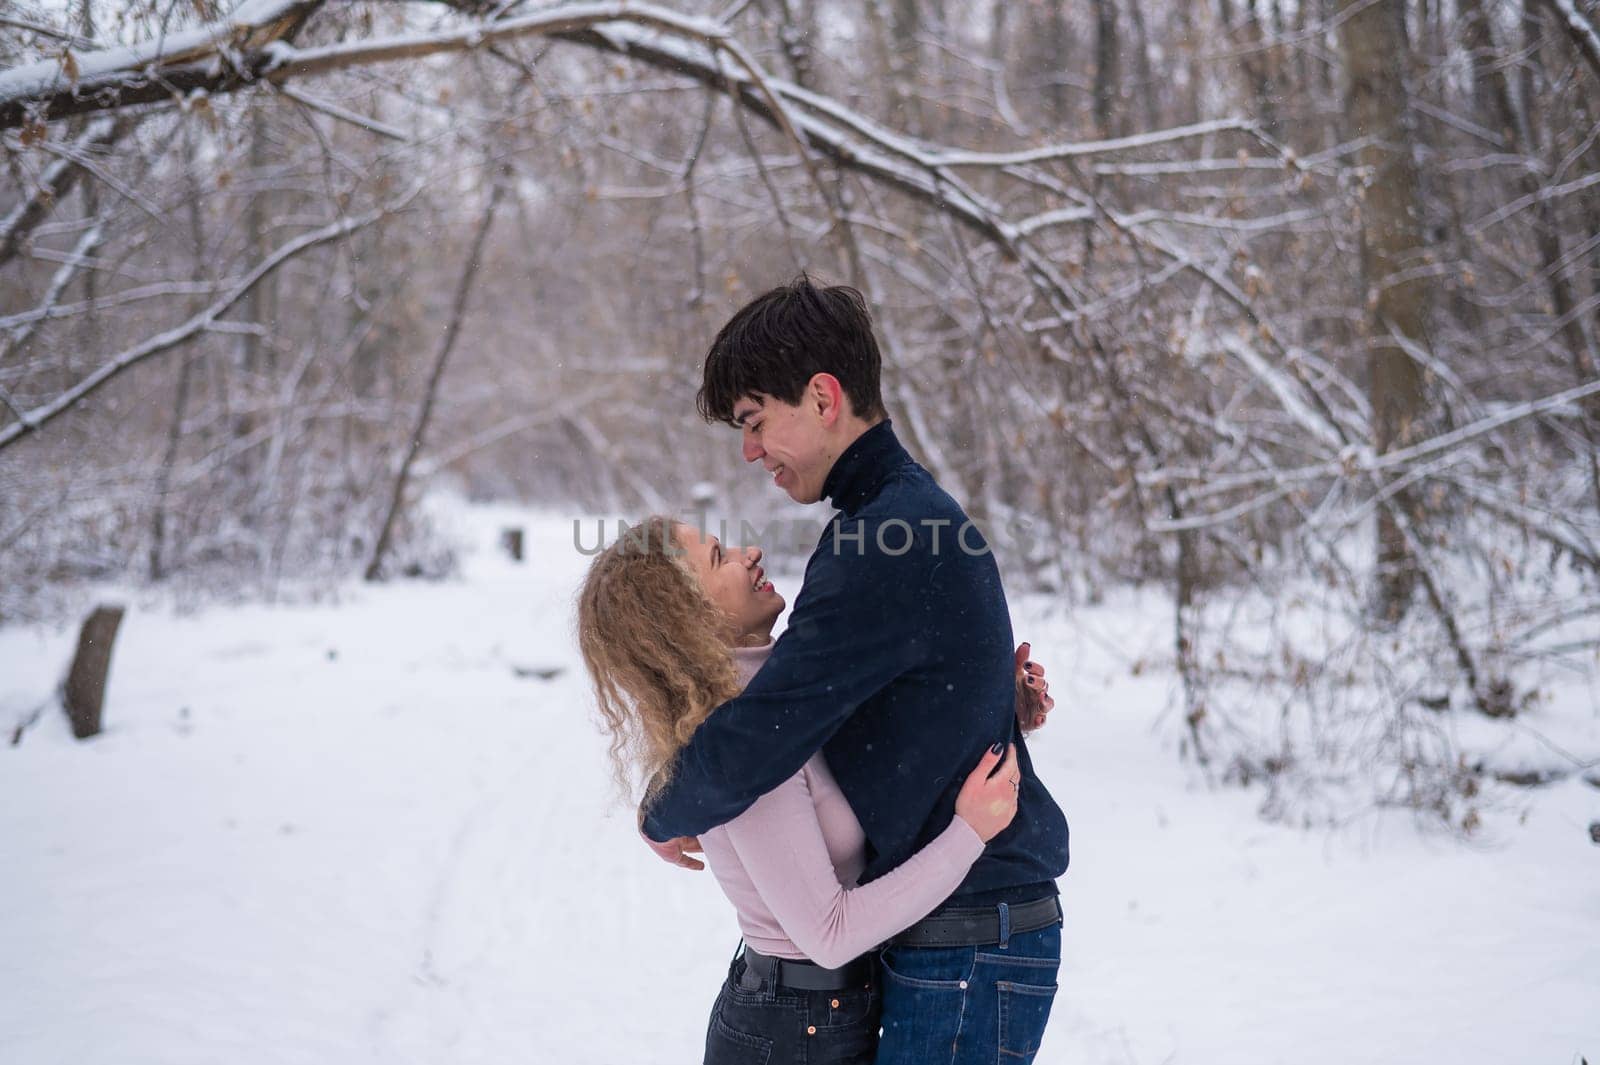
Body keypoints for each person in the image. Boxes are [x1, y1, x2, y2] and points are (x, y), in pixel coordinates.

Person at [639, 275, 1071, 1065]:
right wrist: (992, 697)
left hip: (971, 935)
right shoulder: (900, 517)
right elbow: (867, 700)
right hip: (967, 931)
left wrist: (664, 807)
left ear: (823, 396)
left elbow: (768, 729)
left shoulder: (881, 539)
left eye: (754, 421)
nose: (748, 451)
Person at [576, 515, 1034, 1064]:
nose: (751, 553)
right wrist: (969, 833)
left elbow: (878, 750)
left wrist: (994, 706)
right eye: (721, 556)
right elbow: (830, 932)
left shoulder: (787, 690)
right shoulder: (742, 738)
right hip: (792, 1031)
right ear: (684, 615)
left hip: (824, 1014)